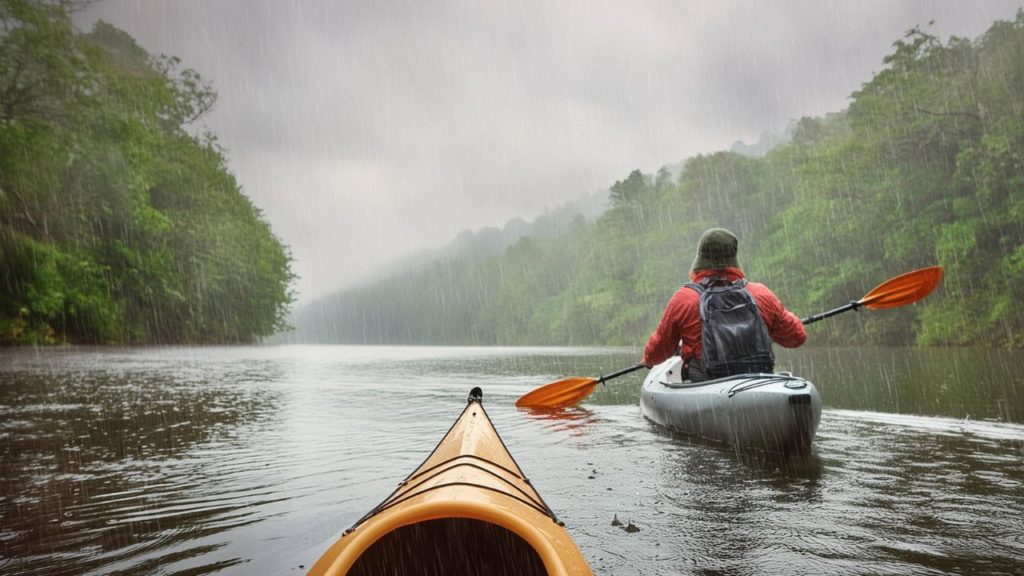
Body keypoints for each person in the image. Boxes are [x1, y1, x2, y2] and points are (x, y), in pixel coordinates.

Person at [641, 228, 806, 380]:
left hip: (707, 387)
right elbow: (796, 337)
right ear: (734, 260)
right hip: (756, 380)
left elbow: (657, 352)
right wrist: (771, 327)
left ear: (701, 260)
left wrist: (648, 360)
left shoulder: (685, 299)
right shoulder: (760, 294)